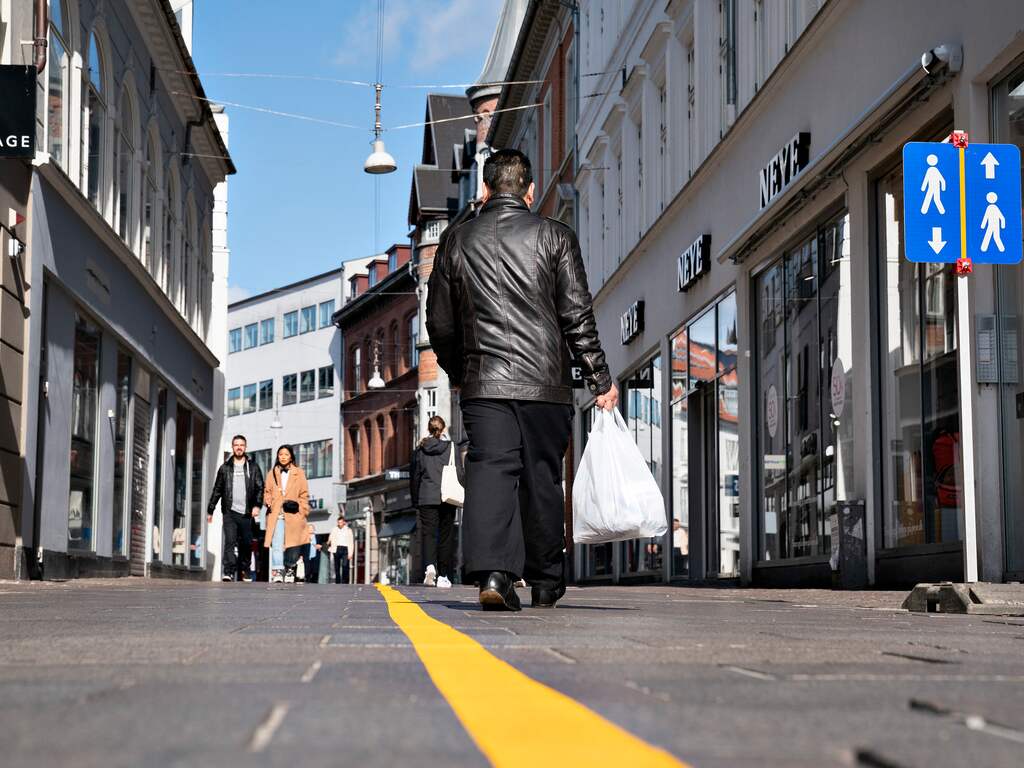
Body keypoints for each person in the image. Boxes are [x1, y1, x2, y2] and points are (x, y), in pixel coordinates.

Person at [426, 149, 617, 611]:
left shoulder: (457, 240)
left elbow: (440, 323)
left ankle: (494, 574)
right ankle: (547, 580)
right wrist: (600, 378)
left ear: (486, 190)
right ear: (530, 191)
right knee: (542, 478)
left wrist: (461, 372)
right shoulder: (555, 236)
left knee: (492, 472)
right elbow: (577, 316)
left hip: (485, 382)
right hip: (546, 384)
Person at [411, 415, 464, 589]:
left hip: (427, 496)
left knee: (429, 534)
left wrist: (416, 499)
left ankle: (429, 567)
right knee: (446, 537)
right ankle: (443, 575)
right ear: (443, 430)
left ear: (429, 428)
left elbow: (415, 476)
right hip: (447, 496)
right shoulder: (452, 448)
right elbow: (460, 473)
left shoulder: (420, 449)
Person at [206, 435, 264, 582]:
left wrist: (257, 505)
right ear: (232, 447)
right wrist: (210, 510)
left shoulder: (253, 467)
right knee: (230, 542)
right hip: (229, 512)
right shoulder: (225, 468)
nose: (239, 447)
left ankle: (245, 570)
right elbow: (217, 490)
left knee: (246, 543)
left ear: (245, 447)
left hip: (247, 513)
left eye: (242, 445)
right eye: (236, 445)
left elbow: (260, 488)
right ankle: (229, 572)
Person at [262, 445, 310, 584]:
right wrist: (267, 499)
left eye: (286, 454)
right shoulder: (272, 473)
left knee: (293, 544)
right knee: (276, 543)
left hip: (293, 514)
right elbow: (267, 491)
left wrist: (302, 510)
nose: (283, 457)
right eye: (280, 454)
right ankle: (278, 570)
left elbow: (304, 494)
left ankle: (290, 567)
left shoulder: (299, 473)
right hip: (276, 514)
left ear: (291, 457)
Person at [328, 515, 354, 584]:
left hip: (345, 549)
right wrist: (329, 542)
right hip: (337, 548)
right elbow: (330, 537)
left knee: (345, 565)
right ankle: (338, 581)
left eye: (341, 522)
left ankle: (345, 581)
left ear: (344, 522)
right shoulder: (334, 529)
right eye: (338, 522)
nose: (339, 524)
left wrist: (350, 553)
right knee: (337, 566)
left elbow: (351, 542)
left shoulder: (348, 530)